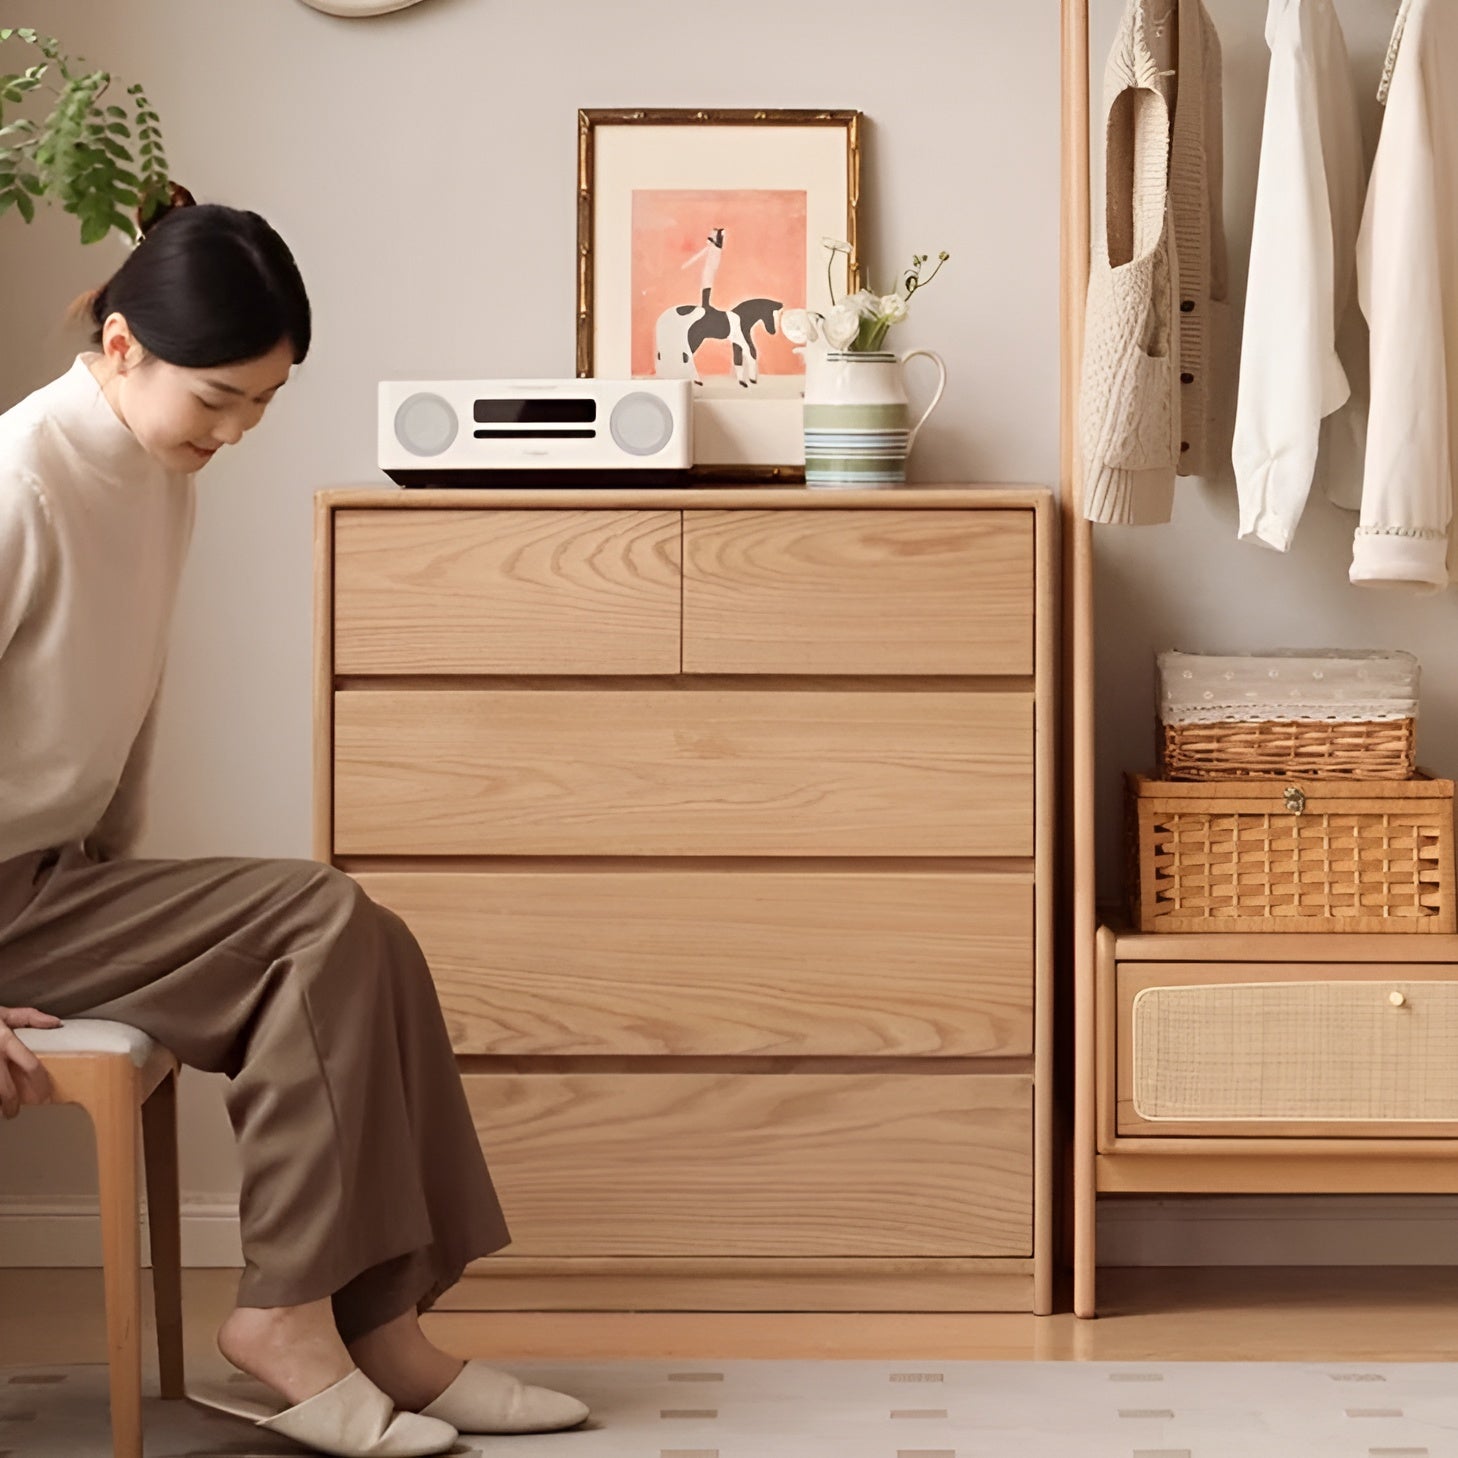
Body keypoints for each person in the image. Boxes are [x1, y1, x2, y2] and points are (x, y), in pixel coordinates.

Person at [0, 200, 589, 1458]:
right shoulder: (19, 482)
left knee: (357, 936)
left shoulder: (151, 479)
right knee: (317, 915)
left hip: (54, 887)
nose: (237, 430)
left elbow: (120, 717)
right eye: (217, 399)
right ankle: (285, 1319)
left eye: (262, 404)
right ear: (120, 346)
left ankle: (382, 1334)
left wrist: (130, 899)